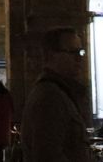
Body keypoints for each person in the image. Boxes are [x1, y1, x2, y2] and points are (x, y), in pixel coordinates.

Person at [20, 27, 90, 162]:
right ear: (50, 56)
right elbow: (47, 154)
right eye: (72, 52)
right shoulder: (50, 98)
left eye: (80, 52)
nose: (79, 59)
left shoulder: (61, 92)